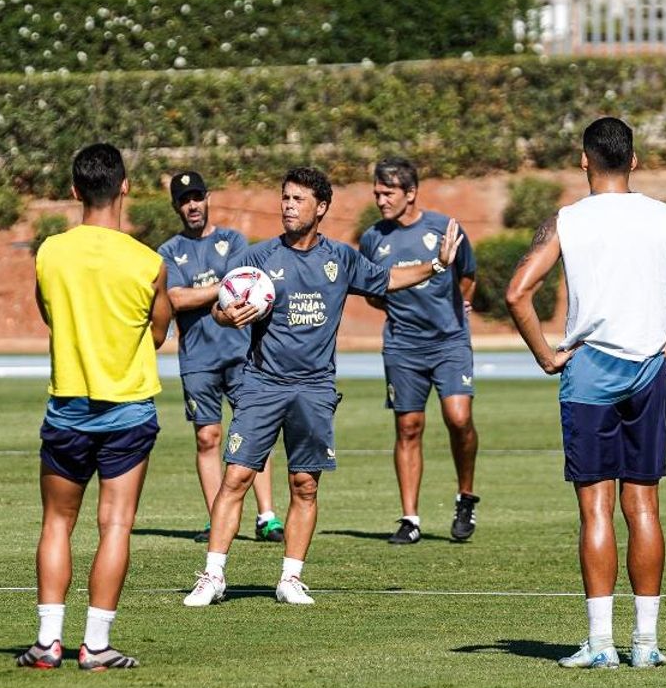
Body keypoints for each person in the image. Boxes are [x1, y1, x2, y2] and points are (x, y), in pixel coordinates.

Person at [506, 117, 666, 670]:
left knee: (596, 510)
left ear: (583, 160)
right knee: (643, 506)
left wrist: (545, 354)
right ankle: (645, 642)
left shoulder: (569, 220)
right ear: (634, 162)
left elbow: (519, 291)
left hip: (589, 371)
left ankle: (600, 644)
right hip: (647, 370)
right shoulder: (664, 217)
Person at [182, 166, 461, 607]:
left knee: (305, 484)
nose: (288, 206)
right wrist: (226, 316)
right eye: (285, 198)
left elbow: (387, 279)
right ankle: (213, 575)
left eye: (298, 200)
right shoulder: (256, 259)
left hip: (314, 388)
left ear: (321, 207)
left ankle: (290, 577)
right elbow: (222, 305)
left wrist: (439, 264)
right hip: (261, 383)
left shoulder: (341, 259)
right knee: (236, 475)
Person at [15, 143, 170, 671]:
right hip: (127, 410)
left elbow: (49, 315)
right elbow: (161, 331)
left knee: (56, 523)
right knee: (116, 525)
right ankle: (97, 645)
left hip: (68, 409)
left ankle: (47, 641)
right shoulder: (149, 262)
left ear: (75, 191)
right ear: (125, 187)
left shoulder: (50, 253)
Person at [155, 170, 285, 546]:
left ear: (207, 197)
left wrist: (207, 291)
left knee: (254, 432)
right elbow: (176, 299)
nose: (192, 205)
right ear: (176, 206)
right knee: (207, 437)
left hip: (243, 353)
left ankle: (267, 517)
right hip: (197, 358)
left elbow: (251, 285)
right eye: (184, 200)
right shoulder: (169, 251)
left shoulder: (233, 240)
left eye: (196, 197)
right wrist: (222, 286)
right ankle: (219, 519)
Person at [356, 157, 481, 545]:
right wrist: (400, 312)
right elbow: (372, 292)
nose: (380, 199)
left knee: (458, 418)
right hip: (402, 347)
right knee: (408, 427)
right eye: (377, 192)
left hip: (449, 342)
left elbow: (468, 277)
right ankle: (410, 519)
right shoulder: (373, 238)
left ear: (410, 193)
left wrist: (454, 313)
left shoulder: (444, 228)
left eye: (388, 192)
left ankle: (466, 497)